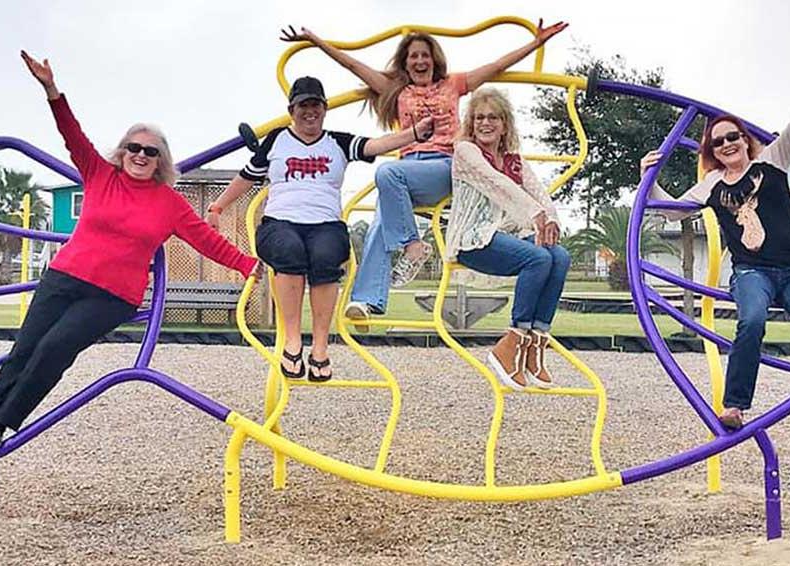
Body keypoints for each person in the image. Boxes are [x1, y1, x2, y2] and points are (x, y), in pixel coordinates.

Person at [0, 52, 260, 453]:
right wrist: (52, 91)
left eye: (151, 151)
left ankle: (2, 424)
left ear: (161, 161)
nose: (141, 155)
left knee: (55, 349)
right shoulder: (98, 173)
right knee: (25, 348)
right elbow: (71, 133)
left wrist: (249, 264)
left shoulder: (169, 203)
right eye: (134, 148)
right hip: (64, 277)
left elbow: (206, 241)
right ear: (122, 152)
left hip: (112, 296)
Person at [639, 36, 790, 446]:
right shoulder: (713, 183)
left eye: (732, 136)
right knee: (751, 320)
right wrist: (649, 178)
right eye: (718, 142)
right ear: (713, 151)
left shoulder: (773, 160)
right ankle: (735, 404)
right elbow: (671, 211)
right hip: (753, 271)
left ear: (743, 138)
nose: (727, 144)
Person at [279, 21, 568, 327]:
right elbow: (351, 64)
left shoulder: (452, 85)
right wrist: (315, 40)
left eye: (424, 56)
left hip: (445, 166)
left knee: (387, 173)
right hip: (409, 171)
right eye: (413, 57)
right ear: (405, 63)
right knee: (381, 215)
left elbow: (496, 66)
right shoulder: (396, 90)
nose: (419, 61)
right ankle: (368, 300)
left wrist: (536, 44)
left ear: (434, 60)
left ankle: (413, 247)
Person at [206, 76, 433, 382]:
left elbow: (375, 145)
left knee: (327, 254)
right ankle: (292, 339)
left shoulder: (337, 142)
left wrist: (414, 134)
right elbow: (247, 176)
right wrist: (218, 207)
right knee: (288, 250)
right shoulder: (276, 140)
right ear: (292, 110)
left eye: (316, 105)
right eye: (303, 105)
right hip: (281, 221)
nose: (309, 112)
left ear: (325, 109)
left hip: (325, 223)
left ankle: (321, 346)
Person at [445, 87, 567, 390]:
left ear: (505, 124)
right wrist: (535, 214)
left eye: (493, 118)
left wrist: (550, 219)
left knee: (559, 256)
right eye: (479, 118)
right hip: (472, 240)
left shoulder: (514, 159)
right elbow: (497, 184)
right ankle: (510, 344)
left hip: (505, 237)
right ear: (471, 123)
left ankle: (534, 346)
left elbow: (538, 190)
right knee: (537, 257)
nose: (485, 124)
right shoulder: (466, 151)